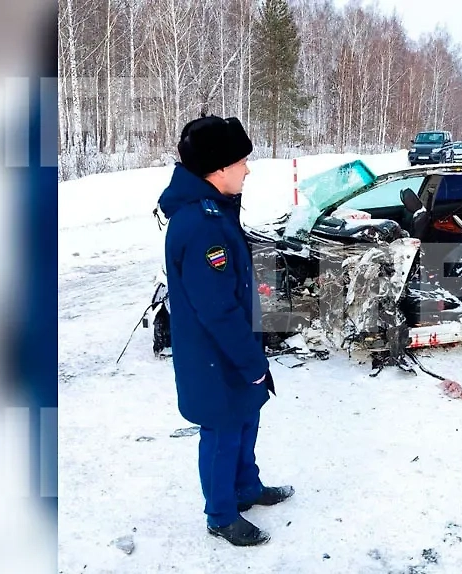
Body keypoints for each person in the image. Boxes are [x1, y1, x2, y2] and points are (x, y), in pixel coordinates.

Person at [157, 114, 294, 547]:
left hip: (231, 349)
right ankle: (220, 514)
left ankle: (246, 488)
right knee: (222, 432)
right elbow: (217, 310)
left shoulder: (217, 209)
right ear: (217, 169)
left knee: (246, 417)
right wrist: (252, 361)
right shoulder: (201, 225)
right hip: (214, 356)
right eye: (241, 163)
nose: (247, 170)